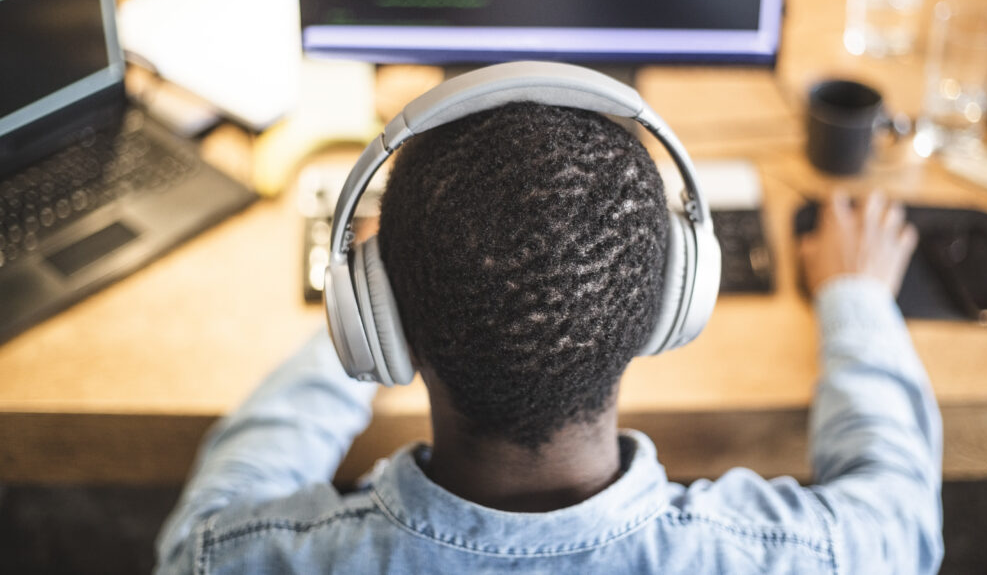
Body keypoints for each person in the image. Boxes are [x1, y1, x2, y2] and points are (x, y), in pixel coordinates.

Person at [155, 101, 942, 574]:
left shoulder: (238, 558)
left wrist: (363, 304)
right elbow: (900, 511)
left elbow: (210, 518)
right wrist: (855, 297)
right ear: (668, 306)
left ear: (381, 324)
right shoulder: (788, 554)